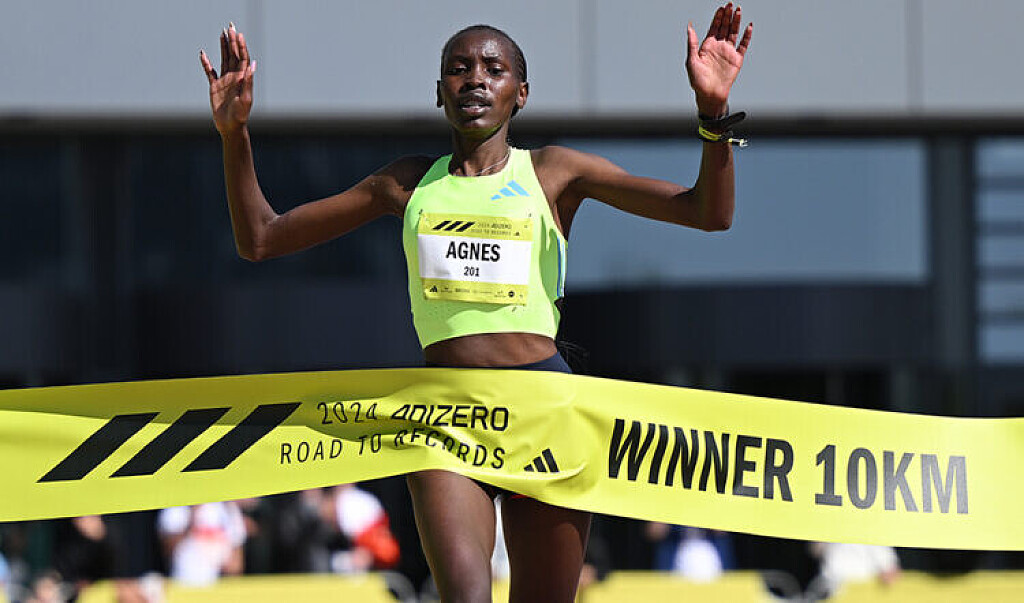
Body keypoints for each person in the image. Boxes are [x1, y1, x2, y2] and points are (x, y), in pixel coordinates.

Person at [199, 4, 752, 601]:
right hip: (445, 418)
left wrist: (713, 113)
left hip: (544, 412)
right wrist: (235, 135)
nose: (475, 80)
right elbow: (261, 238)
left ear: (521, 94)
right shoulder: (406, 183)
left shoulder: (554, 173)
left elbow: (708, 212)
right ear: (439, 93)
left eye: (494, 68)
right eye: (459, 69)